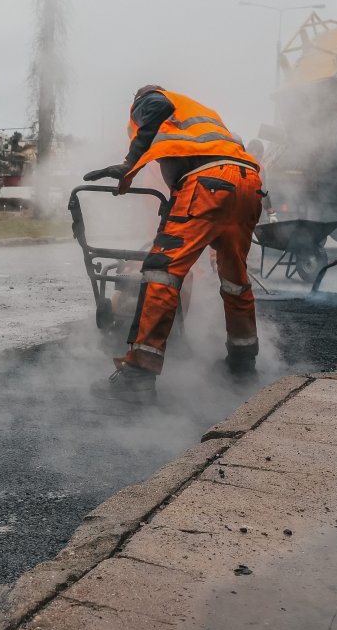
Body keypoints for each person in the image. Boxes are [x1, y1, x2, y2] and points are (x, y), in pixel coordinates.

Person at [83, 85, 262, 403]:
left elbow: (155, 107)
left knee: (160, 272)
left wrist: (129, 163)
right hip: (247, 183)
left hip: (207, 185)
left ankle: (138, 376)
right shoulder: (202, 115)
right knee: (235, 279)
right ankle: (242, 365)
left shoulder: (151, 99)